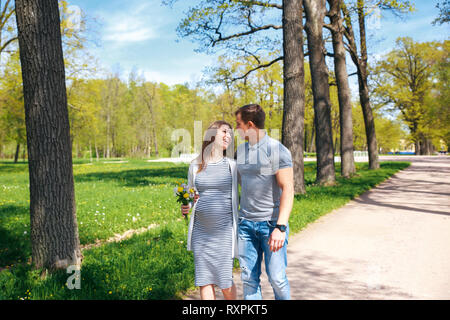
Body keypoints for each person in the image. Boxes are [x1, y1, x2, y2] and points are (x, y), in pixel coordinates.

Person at [234, 104, 294, 300]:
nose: (236, 129)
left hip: (271, 226)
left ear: (250, 125)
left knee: (277, 278)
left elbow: (288, 189)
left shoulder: (277, 150)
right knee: (249, 280)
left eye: (238, 124)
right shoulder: (241, 151)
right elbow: (237, 184)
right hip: (246, 226)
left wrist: (281, 227)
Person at [181, 120, 239, 300]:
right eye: (224, 132)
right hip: (201, 233)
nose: (228, 136)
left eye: (230, 133)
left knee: (225, 283)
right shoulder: (195, 165)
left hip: (223, 233)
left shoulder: (232, 165)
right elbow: (191, 194)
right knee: (204, 281)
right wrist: (186, 206)